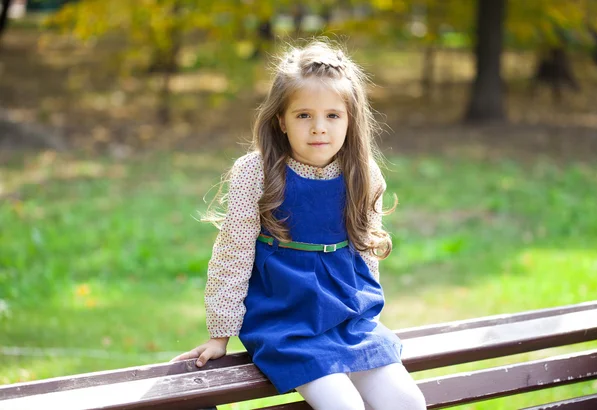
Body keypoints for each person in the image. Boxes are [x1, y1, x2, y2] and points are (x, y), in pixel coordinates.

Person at [171, 40, 427, 410]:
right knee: (344, 407)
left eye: (333, 116)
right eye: (304, 115)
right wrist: (220, 336)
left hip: (349, 319)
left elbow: (366, 254)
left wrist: (368, 317)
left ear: (350, 118)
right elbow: (232, 257)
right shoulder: (256, 173)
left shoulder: (363, 174)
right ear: (282, 120)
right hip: (286, 321)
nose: (319, 128)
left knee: (406, 403)